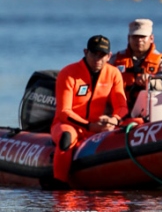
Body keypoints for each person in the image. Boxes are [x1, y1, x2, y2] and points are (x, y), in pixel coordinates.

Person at [51, 35, 128, 184]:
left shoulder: (113, 74)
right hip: (69, 125)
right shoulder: (68, 73)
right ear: (85, 52)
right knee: (66, 137)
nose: (97, 59)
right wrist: (88, 126)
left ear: (109, 56)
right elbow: (64, 112)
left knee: (134, 124)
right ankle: (59, 183)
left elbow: (122, 107)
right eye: (94, 54)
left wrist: (114, 120)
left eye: (102, 55)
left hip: (99, 125)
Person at [110, 17, 162, 117]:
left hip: (151, 112)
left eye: (142, 37)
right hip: (119, 111)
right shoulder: (114, 60)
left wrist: (150, 81)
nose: (139, 40)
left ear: (151, 38)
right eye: (135, 37)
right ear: (128, 38)